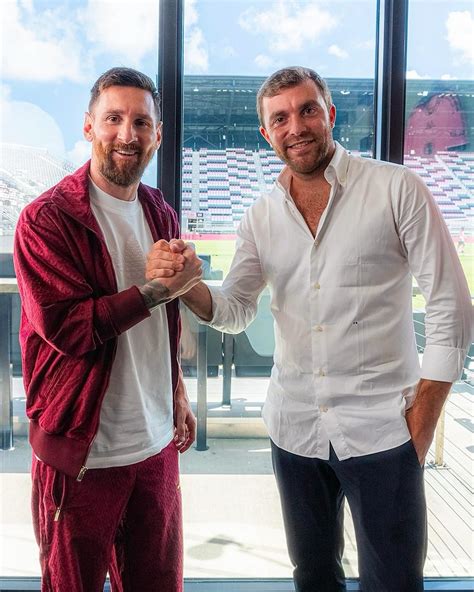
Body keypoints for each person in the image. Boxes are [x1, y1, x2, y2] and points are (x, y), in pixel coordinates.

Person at [146, 67, 472, 592]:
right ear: (266, 133)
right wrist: (188, 285)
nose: (295, 126)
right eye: (280, 118)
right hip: (295, 430)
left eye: (307, 110)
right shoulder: (259, 217)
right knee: (314, 578)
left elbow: (450, 305)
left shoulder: (396, 188)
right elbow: (235, 309)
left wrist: (424, 422)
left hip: (386, 430)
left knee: (394, 583)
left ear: (330, 114)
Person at [14, 67, 202, 592]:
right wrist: (155, 291)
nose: (127, 134)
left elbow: (164, 323)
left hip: (156, 446)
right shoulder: (45, 219)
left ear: (157, 135)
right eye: (113, 118)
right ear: (88, 126)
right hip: (81, 454)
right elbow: (67, 328)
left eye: (141, 122)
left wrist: (177, 391)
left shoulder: (160, 211)